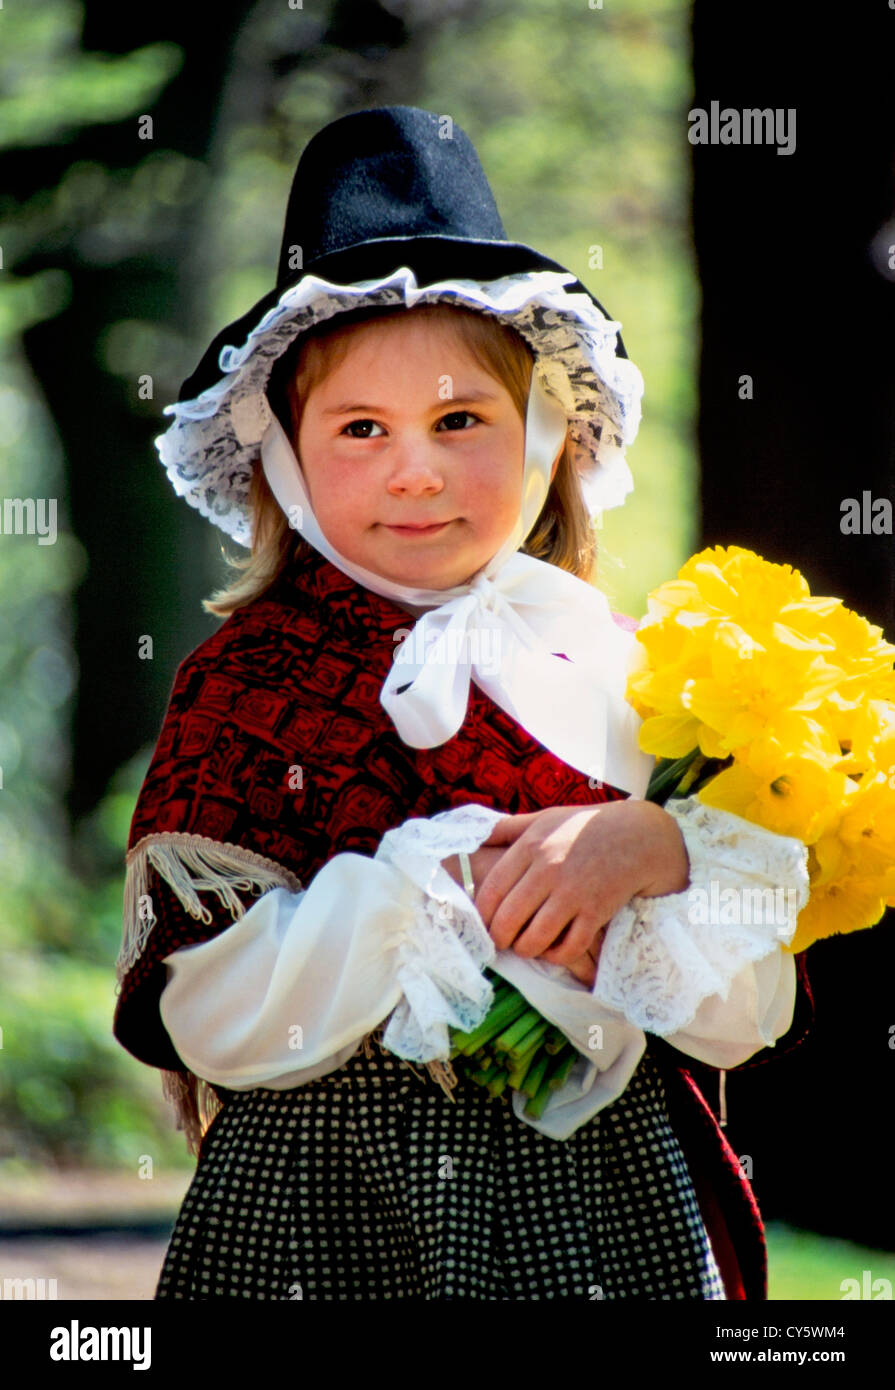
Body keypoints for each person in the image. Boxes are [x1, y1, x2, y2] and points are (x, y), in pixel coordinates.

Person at [113, 106, 814, 1301]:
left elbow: (744, 1017)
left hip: (604, 1204)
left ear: (547, 436)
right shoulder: (248, 684)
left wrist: (658, 852)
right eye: (360, 429)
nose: (416, 469)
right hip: (331, 1208)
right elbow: (210, 1008)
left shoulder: (630, 673)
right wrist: (414, 899)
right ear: (284, 456)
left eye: (459, 421)